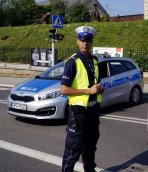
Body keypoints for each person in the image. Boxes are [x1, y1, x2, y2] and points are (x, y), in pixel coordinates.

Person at [60, 26, 104, 172]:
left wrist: (99, 89)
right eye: (82, 40)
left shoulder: (95, 61)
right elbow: (63, 90)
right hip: (78, 113)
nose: (85, 43)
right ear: (77, 41)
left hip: (93, 111)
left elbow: (94, 83)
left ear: (92, 42)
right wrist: (88, 91)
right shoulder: (72, 62)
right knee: (73, 148)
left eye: (88, 40)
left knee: (90, 146)